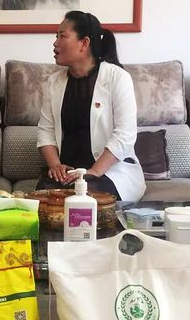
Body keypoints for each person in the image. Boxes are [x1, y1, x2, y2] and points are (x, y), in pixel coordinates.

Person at [36, 10, 146, 201]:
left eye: (62, 36)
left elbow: (125, 135)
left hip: (109, 171)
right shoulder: (54, 82)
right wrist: (55, 165)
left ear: (84, 43)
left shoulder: (117, 78)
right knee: (43, 199)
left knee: (87, 197)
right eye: (56, 36)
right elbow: (45, 131)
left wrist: (94, 171)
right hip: (68, 174)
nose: (55, 43)